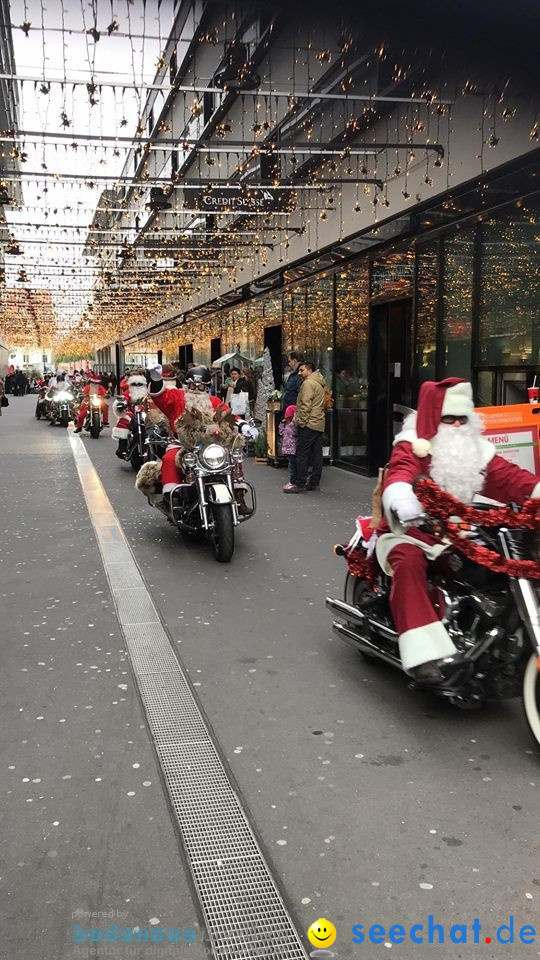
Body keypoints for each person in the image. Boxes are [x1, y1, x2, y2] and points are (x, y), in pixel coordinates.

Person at [379, 377, 540, 684]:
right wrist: (403, 497)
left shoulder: (474, 452)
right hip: (413, 529)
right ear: (433, 418)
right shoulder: (413, 445)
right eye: (447, 419)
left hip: (461, 532)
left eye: (460, 419)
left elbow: (511, 479)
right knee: (409, 560)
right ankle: (424, 653)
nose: (454, 426)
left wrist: (535, 491)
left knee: (496, 563)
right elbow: (400, 472)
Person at [146, 363, 257, 500]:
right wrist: (156, 379)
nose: (197, 389)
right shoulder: (178, 397)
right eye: (193, 385)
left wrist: (243, 425)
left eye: (201, 386)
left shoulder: (213, 401)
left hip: (210, 444)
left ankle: (238, 495)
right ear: (187, 385)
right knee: (170, 459)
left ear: (207, 387)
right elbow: (162, 397)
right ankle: (173, 496)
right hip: (183, 443)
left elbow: (227, 415)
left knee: (231, 456)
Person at [284, 361, 326, 493]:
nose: (299, 373)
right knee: (316, 454)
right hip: (318, 422)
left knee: (302, 453)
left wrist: (300, 421)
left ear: (309, 370)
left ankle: (300, 483)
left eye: (302, 370)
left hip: (309, 423)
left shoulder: (308, 383)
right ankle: (314, 482)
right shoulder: (318, 382)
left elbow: (305, 404)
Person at [112, 370, 149, 458]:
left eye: (139, 384)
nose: (137, 386)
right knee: (124, 420)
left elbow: (154, 400)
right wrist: (121, 404)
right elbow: (123, 398)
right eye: (134, 384)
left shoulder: (147, 392)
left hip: (145, 413)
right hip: (132, 413)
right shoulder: (128, 392)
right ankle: (122, 447)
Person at [279, 404, 298, 491]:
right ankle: (293, 481)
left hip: (293, 449)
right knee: (291, 465)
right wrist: (282, 424)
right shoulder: (286, 424)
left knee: (292, 466)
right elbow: (281, 432)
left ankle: (293, 481)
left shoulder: (293, 425)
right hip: (288, 449)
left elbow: (295, 432)